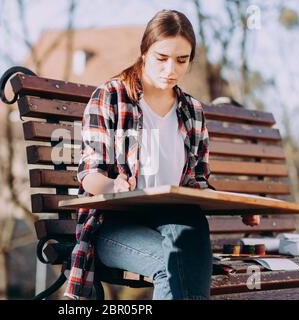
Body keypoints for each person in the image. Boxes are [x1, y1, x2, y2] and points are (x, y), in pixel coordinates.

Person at [64, 9, 260, 300]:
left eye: (182, 60)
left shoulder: (192, 111)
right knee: (175, 265)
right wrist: (112, 186)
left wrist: (238, 206)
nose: (171, 69)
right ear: (144, 52)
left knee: (190, 226)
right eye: (162, 58)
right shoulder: (112, 96)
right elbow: (89, 174)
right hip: (114, 224)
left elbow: (196, 184)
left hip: (174, 221)